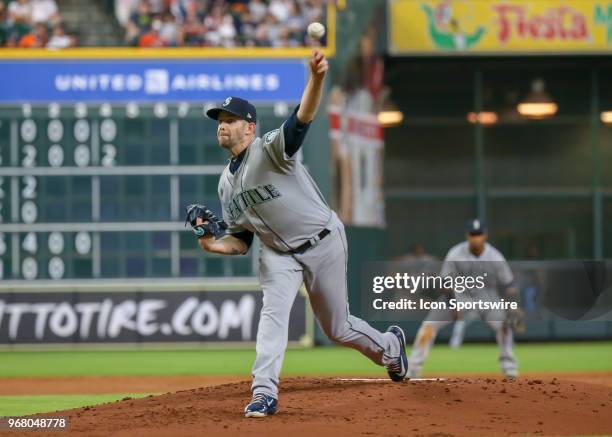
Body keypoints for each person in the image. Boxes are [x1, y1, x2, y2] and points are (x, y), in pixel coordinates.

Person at [185, 50, 408, 418]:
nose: (222, 124)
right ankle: (264, 393)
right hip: (276, 254)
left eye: (230, 119)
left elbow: (302, 118)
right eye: (219, 120)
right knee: (273, 316)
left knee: (337, 328)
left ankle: (390, 348)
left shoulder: (270, 149)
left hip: (322, 240)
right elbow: (241, 240)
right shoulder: (225, 185)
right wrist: (211, 243)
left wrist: (317, 78)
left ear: (250, 127)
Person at [407, 219, 520, 378]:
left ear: (485, 235)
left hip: (486, 296)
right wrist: (453, 305)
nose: (476, 238)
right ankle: (413, 367)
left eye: (479, 234)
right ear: (467, 235)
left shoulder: (495, 256)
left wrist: (514, 306)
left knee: (504, 326)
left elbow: (510, 284)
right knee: (428, 327)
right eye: (473, 234)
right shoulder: (456, 253)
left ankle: (509, 366)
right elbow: (446, 282)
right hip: (458, 294)